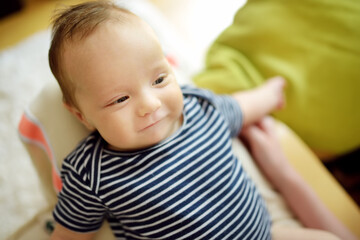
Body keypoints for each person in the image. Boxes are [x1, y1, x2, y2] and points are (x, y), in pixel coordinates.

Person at [47, 1, 356, 239]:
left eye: (158, 80)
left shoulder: (199, 108)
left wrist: (269, 94)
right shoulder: (91, 172)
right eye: (120, 99)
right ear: (81, 115)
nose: (150, 105)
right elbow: (70, 235)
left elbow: (240, 106)